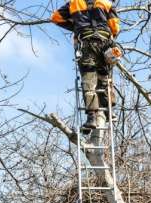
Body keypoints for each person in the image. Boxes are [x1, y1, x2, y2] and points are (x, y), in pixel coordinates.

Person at [51, 0, 121, 131]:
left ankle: (91, 117)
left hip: (86, 44)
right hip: (104, 44)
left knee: (88, 81)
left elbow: (55, 18)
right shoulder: (105, 3)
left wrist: (76, 26)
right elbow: (115, 27)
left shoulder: (74, 3)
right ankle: (110, 111)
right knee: (104, 77)